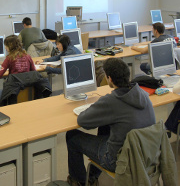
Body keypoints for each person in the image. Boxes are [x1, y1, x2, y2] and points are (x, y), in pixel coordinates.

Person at [65, 58, 155, 186]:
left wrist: (95, 107)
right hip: (146, 154)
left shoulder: (112, 100)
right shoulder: (142, 94)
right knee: (105, 126)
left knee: (72, 136)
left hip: (120, 160)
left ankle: (80, 181)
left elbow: (83, 120)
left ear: (110, 79)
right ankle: (92, 177)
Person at [0, 35, 36, 102]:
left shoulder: (9, 58)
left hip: (13, 91)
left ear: (10, 46)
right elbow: (34, 73)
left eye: (6, 45)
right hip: (27, 91)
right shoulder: (27, 56)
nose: (5, 48)